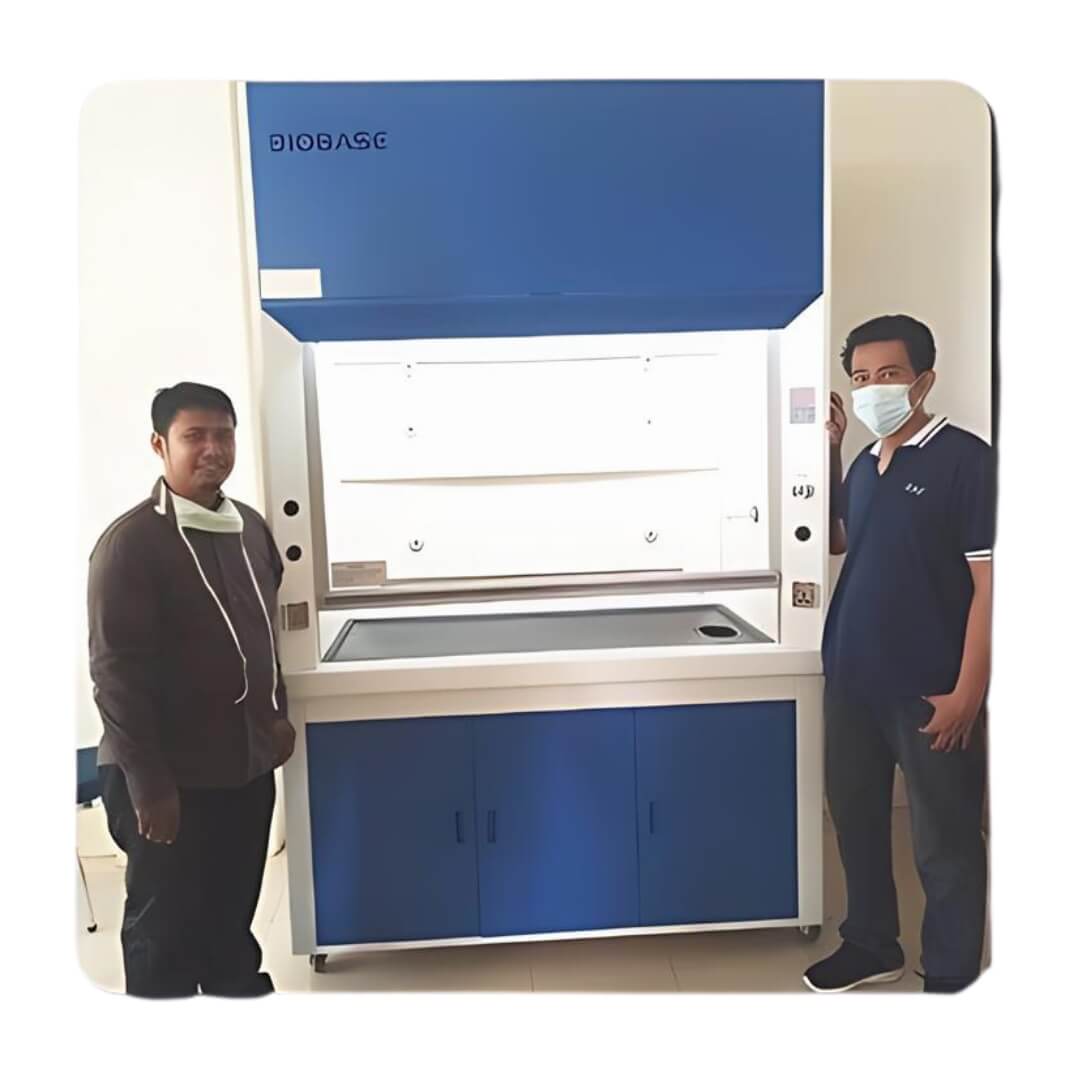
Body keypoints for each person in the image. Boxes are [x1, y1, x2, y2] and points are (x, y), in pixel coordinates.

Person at [804, 314, 994, 994]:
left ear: (924, 380)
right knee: (856, 821)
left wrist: (968, 693)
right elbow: (840, 539)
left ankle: (951, 976)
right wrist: (835, 447)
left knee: (944, 840)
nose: (872, 388)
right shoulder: (867, 461)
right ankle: (870, 945)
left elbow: (991, 584)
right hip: (854, 680)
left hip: (927, 686)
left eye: (888, 374)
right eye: (861, 377)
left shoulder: (967, 462)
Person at [88, 382, 295, 997]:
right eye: (194, 436)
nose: (213, 449)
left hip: (243, 764)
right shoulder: (131, 545)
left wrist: (275, 716)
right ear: (160, 444)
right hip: (166, 777)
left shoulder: (249, 528)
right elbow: (115, 677)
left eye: (223, 435)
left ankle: (234, 993)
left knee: (232, 911)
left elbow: (264, 632)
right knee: (166, 928)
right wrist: (150, 786)